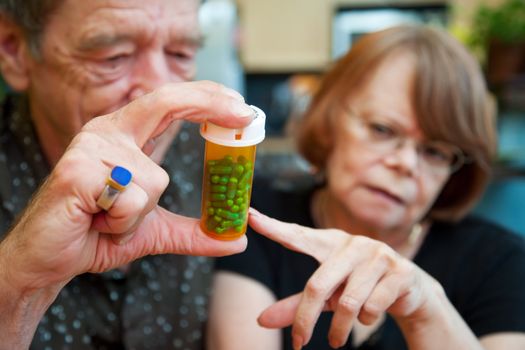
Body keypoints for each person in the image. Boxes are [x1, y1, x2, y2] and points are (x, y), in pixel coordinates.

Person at [208, 25, 525, 349]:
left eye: (434, 151)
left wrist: (425, 310)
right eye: (383, 130)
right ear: (330, 120)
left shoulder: (501, 261)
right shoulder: (254, 215)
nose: (405, 163)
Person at [0, 0, 255, 348]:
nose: (159, 89)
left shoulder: (220, 165)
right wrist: (18, 286)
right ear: (13, 50)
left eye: (180, 54)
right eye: (113, 57)